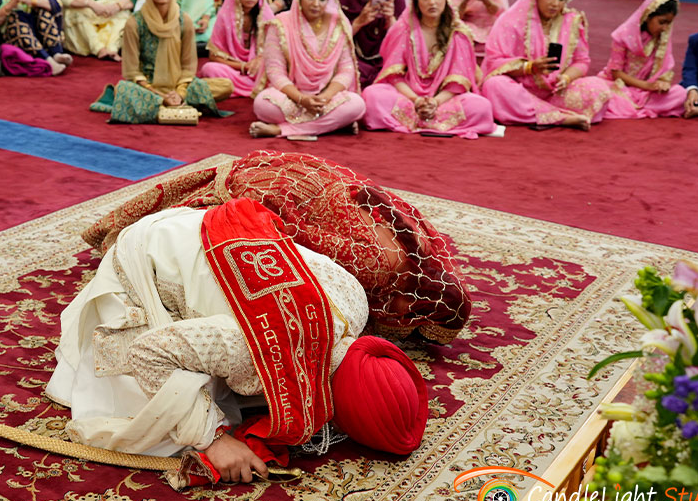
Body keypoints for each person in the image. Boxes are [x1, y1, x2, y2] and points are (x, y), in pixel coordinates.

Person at [45, 198, 429, 483]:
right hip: (146, 251)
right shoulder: (252, 349)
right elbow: (150, 352)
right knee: (160, 421)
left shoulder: (353, 303)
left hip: (207, 228)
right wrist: (212, 440)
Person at [82, 150, 475, 343]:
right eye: (419, 324)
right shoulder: (379, 266)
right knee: (208, 213)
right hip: (301, 194)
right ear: (423, 304)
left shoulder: (431, 251)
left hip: (332, 179)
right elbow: (311, 244)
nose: (409, 330)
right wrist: (266, 218)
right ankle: (119, 235)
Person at [90, 0, 232, 123]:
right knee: (123, 89)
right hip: (148, 88)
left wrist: (180, 93)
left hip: (179, 86)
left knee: (225, 86)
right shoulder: (135, 23)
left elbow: (188, 67)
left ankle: (158, 108)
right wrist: (161, 96)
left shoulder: (184, 20)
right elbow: (131, 71)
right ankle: (165, 105)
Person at [363, 0, 496, 139]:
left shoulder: (458, 33)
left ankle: (423, 119)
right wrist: (416, 100)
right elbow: (394, 75)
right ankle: (428, 120)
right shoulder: (404, 29)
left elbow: (458, 81)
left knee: (480, 106)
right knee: (372, 95)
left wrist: (435, 102)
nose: (431, 2)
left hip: (444, 100)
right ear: (416, 1)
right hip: (408, 97)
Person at [480, 0, 612, 130]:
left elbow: (582, 61)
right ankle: (562, 118)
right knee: (494, 85)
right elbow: (494, 62)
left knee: (599, 89)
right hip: (520, 90)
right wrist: (530, 67)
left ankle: (543, 114)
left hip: (555, 93)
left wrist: (566, 78)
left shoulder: (572, 21)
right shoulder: (511, 21)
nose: (555, 4)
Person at [250, 0, 364, 139]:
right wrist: (302, 99)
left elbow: (346, 70)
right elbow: (275, 71)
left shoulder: (339, 24)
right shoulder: (281, 24)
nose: (316, 4)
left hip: (325, 99)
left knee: (357, 105)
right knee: (262, 104)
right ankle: (332, 125)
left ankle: (280, 130)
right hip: (291, 97)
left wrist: (325, 97)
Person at [599, 0, 686, 119]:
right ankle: (636, 106)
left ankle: (631, 106)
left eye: (668, 23)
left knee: (681, 93)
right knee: (598, 92)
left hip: (646, 92)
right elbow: (616, 73)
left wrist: (662, 84)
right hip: (619, 86)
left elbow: (664, 71)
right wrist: (646, 86)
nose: (665, 28)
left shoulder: (662, 38)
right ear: (648, 16)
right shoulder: (622, 35)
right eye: (662, 22)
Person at [337, 0, 405, 87]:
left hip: (386, 60)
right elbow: (333, 41)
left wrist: (390, 19)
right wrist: (359, 22)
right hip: (352, 58)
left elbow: (403, 42)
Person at [201, 0, 275, 97]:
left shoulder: (266, 16)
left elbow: (276, 50)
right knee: (209, 69)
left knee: (274, 70)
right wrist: (243, 66)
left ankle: (231, 89)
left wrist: (260, 59)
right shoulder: (225, 16)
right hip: (235, 70)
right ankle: (252, 88)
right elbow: (214, 56)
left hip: (257, 70)